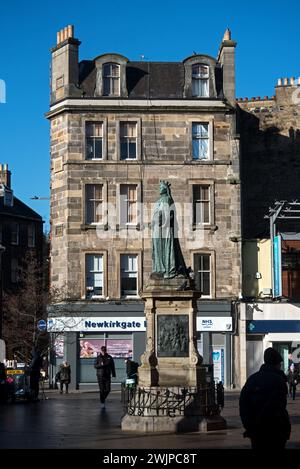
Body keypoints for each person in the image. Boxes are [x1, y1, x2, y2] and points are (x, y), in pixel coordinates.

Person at [239, 347, 291, 450]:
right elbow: (279, 407)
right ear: (277, 364)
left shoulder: (252, 379)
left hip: (256, 432)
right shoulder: (278, 380)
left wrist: (249, 426)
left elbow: (243, 404)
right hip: (276, 431)